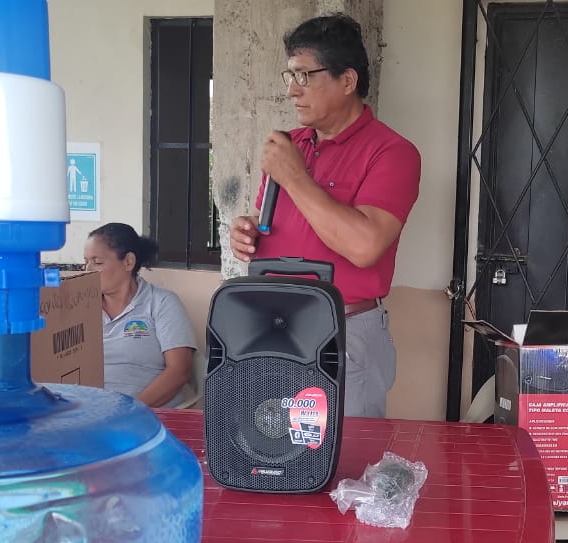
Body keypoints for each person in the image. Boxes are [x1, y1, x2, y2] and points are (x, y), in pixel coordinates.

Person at [228, 13, 422, 419]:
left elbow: (365, 246)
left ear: (347, 80)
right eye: (290, 75)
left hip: (342, 330)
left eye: (304, 75)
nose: (291, 90)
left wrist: (295, 176)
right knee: (271, 446)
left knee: (344, 450)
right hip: (271, 325)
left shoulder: (392, 152)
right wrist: (246, 235)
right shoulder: (289, 145)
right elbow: (270, 224)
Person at [84, 223, 196, 408]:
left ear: (128, 262)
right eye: (85, 262)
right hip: (89, 409)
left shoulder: (161, 302)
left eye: (97, 262)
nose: (87, 270)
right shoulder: (80, 307)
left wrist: (130, 409)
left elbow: (179, 371)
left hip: (144, 413)